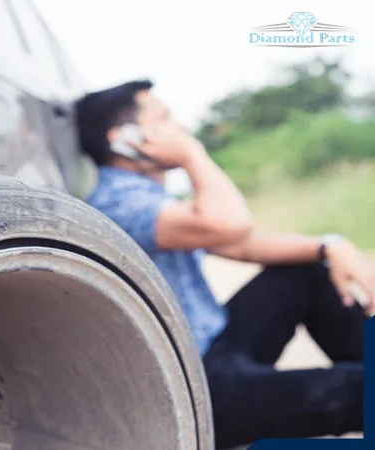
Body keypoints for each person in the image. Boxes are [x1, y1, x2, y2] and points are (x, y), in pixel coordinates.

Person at [76, 80, 374, 449]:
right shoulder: (120, 202)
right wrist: (192, 154)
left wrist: (330, 246)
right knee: (359, 390)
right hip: (197, 387)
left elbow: (242, 244)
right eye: (166, 120)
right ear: (125, 138)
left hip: (216, 344)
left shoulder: (149, 197)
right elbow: (233, 224)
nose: (180, 129)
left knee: (309, 269)